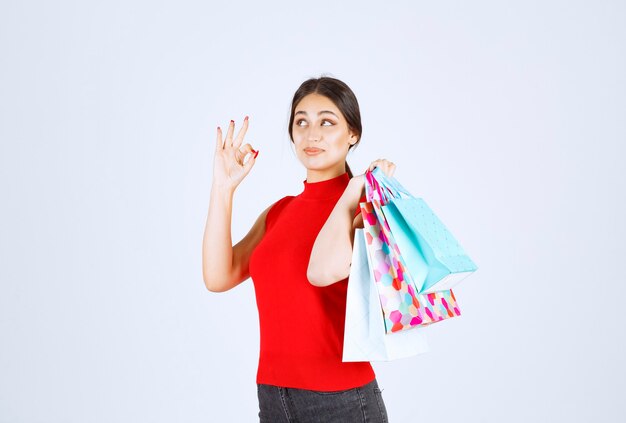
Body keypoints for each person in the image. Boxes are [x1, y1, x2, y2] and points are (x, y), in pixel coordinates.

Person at [202, 76, 397, 422]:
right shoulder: (279, 212)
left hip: (342, 402)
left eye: (327, 121)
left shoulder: (365, 205)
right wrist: (223, 188)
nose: (312, 134)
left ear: (352, 134)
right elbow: (219, 276)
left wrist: (354, 191)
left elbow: (322, 271)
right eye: (301, 122)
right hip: (273, 397)